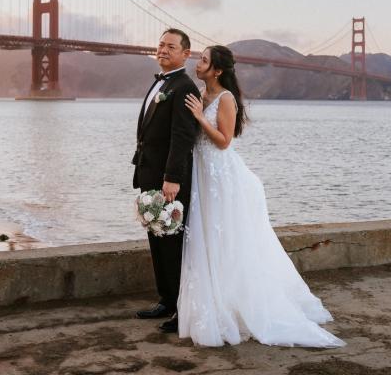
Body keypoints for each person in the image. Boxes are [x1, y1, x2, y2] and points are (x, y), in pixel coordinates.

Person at [178, 45, 345, 348]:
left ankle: (236, 306)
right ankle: (213, 303)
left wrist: (201, 118)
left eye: (203, 60)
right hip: (201, 174)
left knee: (224, 238)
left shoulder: (226, 99)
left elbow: (224, 142)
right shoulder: (200, 96)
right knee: (205, 236)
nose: (198, 63)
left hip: (220, 176)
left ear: (217, 70)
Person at [131, 28, 201, 333]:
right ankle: (166, 299)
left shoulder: (184, 87)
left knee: (173, 244)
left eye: (171, 46)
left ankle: (181, 309)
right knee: (157, 238)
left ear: (185, 54)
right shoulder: (161, 82)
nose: (163, 50)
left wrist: (172, 178)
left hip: (168, 181)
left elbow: (183, 137)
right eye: (160, 45)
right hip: (149, 173)